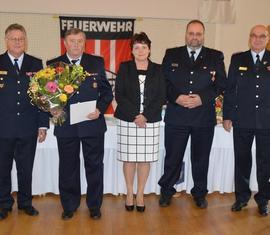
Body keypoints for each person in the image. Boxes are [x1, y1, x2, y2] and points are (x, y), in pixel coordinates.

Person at [158, 20, 226, 208]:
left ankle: (199, 193)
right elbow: (163, 82)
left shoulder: (215, 56)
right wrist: (176, 97)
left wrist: (202, 98)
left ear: (203, 35)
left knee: (201, 158)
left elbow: (221, 84)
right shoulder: (171, 54)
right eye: (191, 33)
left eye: (198, 34)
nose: (194, 37)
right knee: (173, 157)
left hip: (203, 117)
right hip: (177, 114)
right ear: (186, 34)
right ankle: (167, 190)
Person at [47, 28, 113, 220]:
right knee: (68, 167)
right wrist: (53, 107)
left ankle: (94, 206)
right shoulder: (54, 65)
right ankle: (69, 206)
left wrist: (100, 109)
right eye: (72, 41)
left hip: (92, 124)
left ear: (85, 43)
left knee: (94, 166)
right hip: (66, 126)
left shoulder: (96, 62)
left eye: (80, 41)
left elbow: (106, 93)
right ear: (65, 43)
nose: (76, 45)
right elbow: (49, 95)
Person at [0, 23, 49, 220]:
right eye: (14, 38)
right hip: (3, 128)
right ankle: (3, 203)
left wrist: (42, 124)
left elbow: (43, 96)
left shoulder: (36, 64)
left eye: (21, 38)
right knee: (2, 169)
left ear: (25, 40)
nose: (18, 42)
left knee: (25, 168)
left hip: (28, 127)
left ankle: (25, 203)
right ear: (6, 41)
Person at [114, 32, 165, 212]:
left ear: (149, 49)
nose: (140, 50)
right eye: (137, 47)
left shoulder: (158, 69)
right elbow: (119, 94)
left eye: (144, 47)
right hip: (128, 120)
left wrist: (145, 116)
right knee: (129, 159)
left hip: (149, 121)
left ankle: (141, 193)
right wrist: (136, 115)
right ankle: (129, 192)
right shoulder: (124, 67)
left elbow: (161, 96)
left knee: (144, 159)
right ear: (132, 51)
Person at [223, 25, 270, 216]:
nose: (257, 39)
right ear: (249, 38)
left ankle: (263, 200)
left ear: (267, 39)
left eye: (262, 36)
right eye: (254, 36)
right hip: (242, 120)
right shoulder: (238, 59)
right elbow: (230, 89)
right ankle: (241, 198)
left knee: (265, 163)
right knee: (242, 160)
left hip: (267, 121)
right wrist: (227, 115)